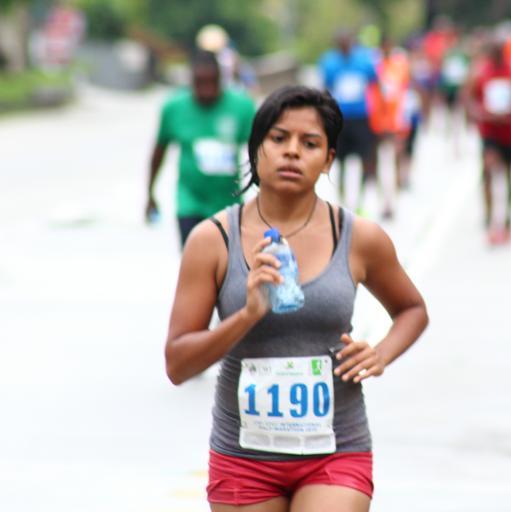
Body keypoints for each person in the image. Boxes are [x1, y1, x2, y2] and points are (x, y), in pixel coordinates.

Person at [164, 86, 429, 511]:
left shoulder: (359, 237)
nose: (292, 151)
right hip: (244, 457)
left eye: (310, 143)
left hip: (336, 450)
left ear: (328, 160)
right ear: (256, 149)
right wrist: (247, 315)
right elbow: (178, 364)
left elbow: (412, 310)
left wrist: (381, 353)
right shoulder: (212, 240)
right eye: (279, 138)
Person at [146, 50, 256, 248]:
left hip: (228, 204)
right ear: (191, 80)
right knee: (194, 257)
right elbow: (159, 152)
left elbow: (258, 152)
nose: (206, 89)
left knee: (229, 262)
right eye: (200, 82)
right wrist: (150, 193)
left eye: (211, 82)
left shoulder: (242, 107)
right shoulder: (174, 108)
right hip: (190, 203)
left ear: (220, 79)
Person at [465, 38, 511, 245]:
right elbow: (470, 99)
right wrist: (480, 113)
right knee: (488, 170)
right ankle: (490, 219)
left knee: (508, 175)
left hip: (508, 132)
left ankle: (508, 219)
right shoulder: (481, 73)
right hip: (489, 131)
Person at [319, 30, 380, 212]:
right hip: (341, 117)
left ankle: (361, 197)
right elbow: (326, 87)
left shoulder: (364, 59)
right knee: (340, 159)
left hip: (361, 116)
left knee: (364, 157)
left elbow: (374, 82)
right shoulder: (329, 62)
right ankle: (343, 197)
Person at [367, 35, 412, 218]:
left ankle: (392, 199)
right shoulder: (373, 66)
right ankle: (384, 200)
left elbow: (404, 93)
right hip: (378, 122)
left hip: (395, 121)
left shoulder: (400, 65)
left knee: (394, 160)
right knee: (380, 162)